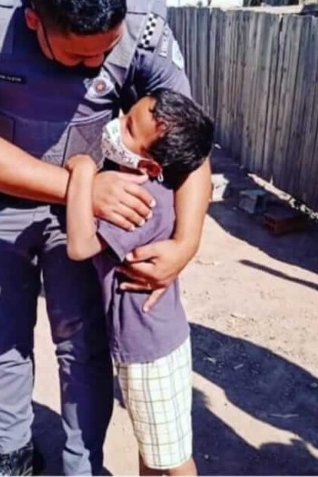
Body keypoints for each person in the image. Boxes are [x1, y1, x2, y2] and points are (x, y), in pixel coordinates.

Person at [0, 0, 211, 475]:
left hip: (84, 214)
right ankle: (14, 451)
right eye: (81, 54)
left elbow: (188, 138)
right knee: (3, 337)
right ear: (35, 22)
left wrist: (186, 242)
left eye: (108, 48)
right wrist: (79, 184)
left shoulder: (144, 18)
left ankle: (84, 462)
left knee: (80, 342)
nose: (97, 65)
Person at [65, 90, 214, 476]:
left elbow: (81, 246)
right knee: (155, 448)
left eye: (128, 129)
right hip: (158, 341)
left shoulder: (138, 200)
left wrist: (83, 174)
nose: (116, 128)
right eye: (126, 116)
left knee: (174, 461)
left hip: (147, 352)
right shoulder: (158, 186)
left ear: (150, 165)